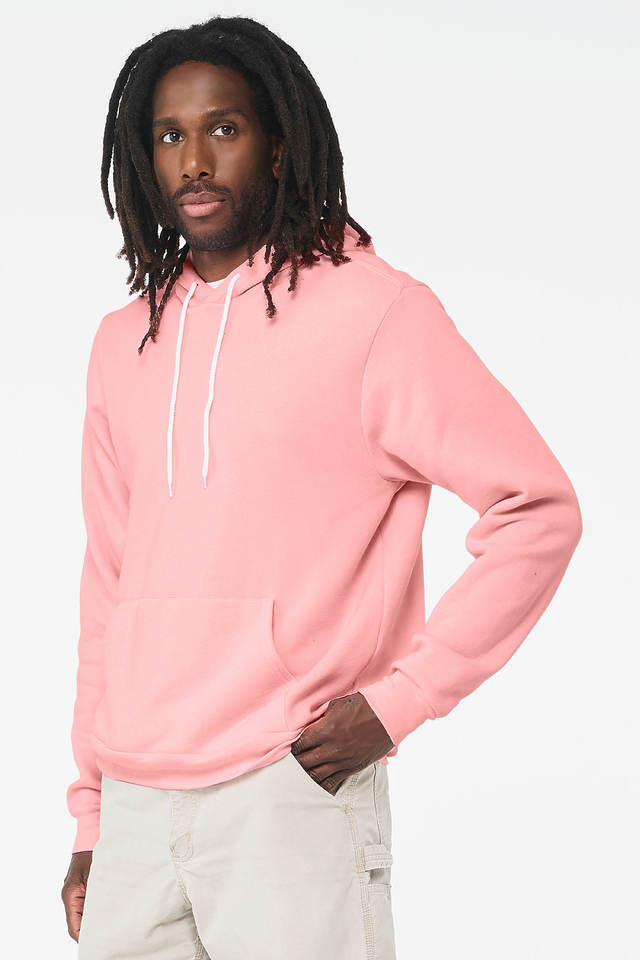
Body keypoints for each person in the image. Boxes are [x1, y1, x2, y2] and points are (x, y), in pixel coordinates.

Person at [60, 14, 582, 959]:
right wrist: (93, 815)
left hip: (287, 790)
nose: (194, 161)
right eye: (170, 135)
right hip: (133, 804)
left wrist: (400, 702)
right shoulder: (122, 342)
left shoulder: (375, 312)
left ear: (278, 142)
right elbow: (109, 583)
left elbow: (535, 509)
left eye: (224, 128)